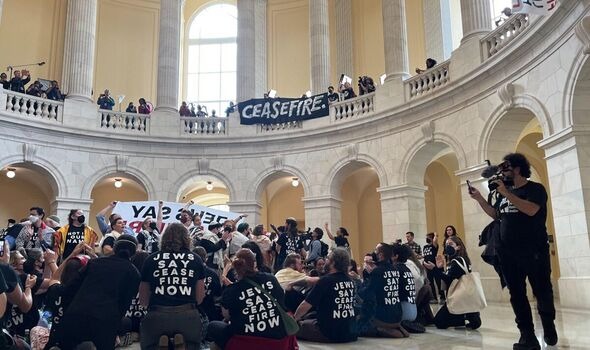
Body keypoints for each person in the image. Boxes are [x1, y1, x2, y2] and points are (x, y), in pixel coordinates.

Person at [469, 153, 556, 349]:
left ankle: (548, 325)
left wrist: (508, 194)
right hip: (508, 253)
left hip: (534, 251)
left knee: (542, 292)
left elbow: (531, 210)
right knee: (517, 295)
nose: (501, 174)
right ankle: (527, 336)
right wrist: (480, 199)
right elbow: (496, 214)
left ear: (517, 169)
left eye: (505, 169)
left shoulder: (535, 189)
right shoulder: (502, 193)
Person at [52, 235, 140, 349]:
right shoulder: (133, 272)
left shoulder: (95, 263)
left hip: (77, 314)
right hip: (105, 321)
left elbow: (71, 288)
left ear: (114, 248)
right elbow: (124, 305)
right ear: (134, 252)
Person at [139, 223, 206, 350]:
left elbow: (143, 300)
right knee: (193, 345)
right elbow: (199, 298)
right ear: (187, 239)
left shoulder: (151, 259)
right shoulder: (196, 259)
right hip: (187, 316)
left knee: (149, 345)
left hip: (157, 315)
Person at [207, 248, 291, 349]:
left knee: (213, 326)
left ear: (235, 267)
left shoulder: (233, 290)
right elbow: (281, 303)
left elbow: (227, 316)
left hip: (246, 342)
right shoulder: (271, 279)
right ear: (254, 263)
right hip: (279, 342)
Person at [294, 248, 358, 343]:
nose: (325, 261)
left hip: (329, 333)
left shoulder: (325, 281)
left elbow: (306, 305)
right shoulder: (351, 281)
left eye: (327, 258)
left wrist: (294, 319)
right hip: (350, 333)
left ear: (333, 263)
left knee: (296, 326)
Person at [424, 236, 481, 331]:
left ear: (458, 247)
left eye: (450, 244)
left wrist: (434, 269)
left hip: (458, 296)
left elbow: (449, 279)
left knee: (439, 322)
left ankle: (465, 316)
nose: (447, 247)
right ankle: (470, 315)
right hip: (462, 296)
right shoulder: (458, 260)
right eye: (446, 245)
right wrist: (440, 268)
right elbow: (450, 277)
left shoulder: (457, 261)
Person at [358, 243, 407, 338]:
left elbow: (367, 293)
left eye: (375, 251)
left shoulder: (378, 271)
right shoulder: (395, 269)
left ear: (380, 255)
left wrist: (361, 283)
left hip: (384, 317)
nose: (374, 253)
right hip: (397, 313)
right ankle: (397, 328)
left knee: (359, 324)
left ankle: (381, 329)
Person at [423, 232, 443, 304]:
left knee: (438, 282)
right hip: (427, 268)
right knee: (430, 283)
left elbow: (435, 241)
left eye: (428, 237)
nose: (427, 238)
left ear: (431, 238)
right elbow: (425, 256)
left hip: (434, 266)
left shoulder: (434, 246)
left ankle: (442, 297)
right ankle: (434, 298)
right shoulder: (425, 247)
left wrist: (435, 235)